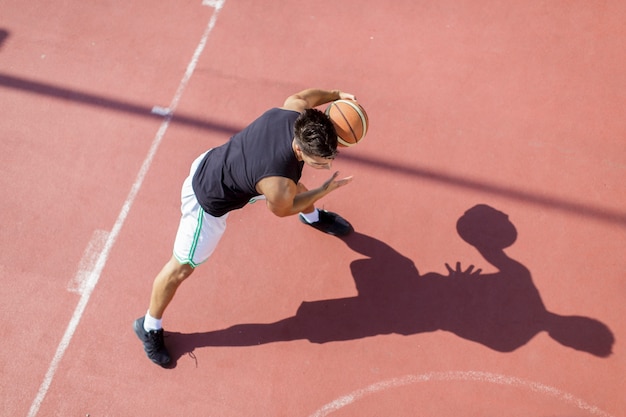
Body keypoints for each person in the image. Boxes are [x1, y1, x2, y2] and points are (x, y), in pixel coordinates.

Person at [134, 88, 357, 366]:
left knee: (295, 184)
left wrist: (338, 94)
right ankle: (149, 325)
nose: (326, 165)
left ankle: (313, 217)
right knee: (181, 267)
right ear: (300, 149)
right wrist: (324, 189)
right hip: (206, 202)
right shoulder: (277, 185)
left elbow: (306, 95)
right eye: (320, 162)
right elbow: (285, 207)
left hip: (219, 160)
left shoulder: (293, 110)